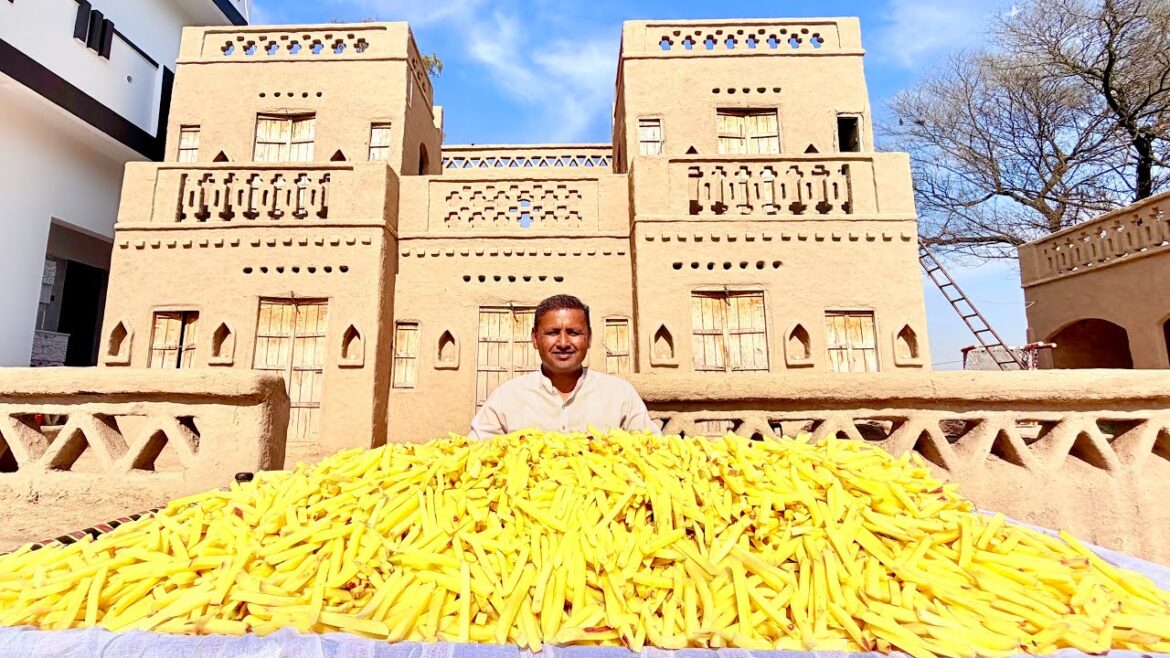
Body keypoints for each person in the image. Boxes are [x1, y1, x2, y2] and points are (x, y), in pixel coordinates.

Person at [469, 294, 661, 439]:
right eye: (552, 332)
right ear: (535, 338)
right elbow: (473, 455)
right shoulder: (507, 397)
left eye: (574, 332)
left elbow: (652, 451)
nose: (563, 342)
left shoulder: (619, 394)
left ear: (589, 338)